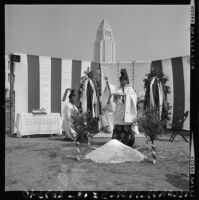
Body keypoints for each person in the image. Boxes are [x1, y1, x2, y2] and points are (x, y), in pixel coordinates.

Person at [103, 69, 137, 147]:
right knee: (118, 125)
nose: (121, 82)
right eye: (120, 81)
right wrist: (115, 97)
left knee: (126, 126)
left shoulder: (129, 89)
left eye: (123, 80)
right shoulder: (118, 89)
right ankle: (117, 141)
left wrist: (125, 96)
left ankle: (128, 141)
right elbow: (114, 99)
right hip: (119, 111)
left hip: (126, 111)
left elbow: (134, 97)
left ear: (126, 81)